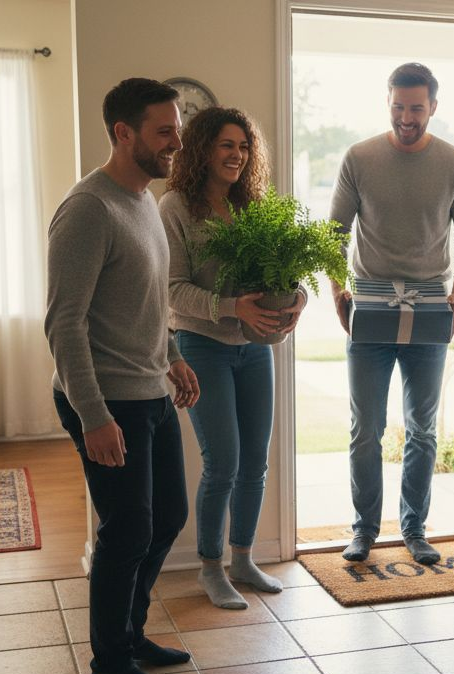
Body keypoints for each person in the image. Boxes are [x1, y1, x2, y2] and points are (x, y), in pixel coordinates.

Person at [45, 77, 201, 674]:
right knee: (127, 530)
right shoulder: (89, 208)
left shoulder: (144, 202)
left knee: (167, 517)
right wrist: (93, 415)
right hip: (106, 400)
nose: (176, 142)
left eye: (177, 128)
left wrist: (173, 357)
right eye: (164, 131)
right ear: (123, 133)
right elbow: (64, 322)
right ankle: (110, 664)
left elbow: (145, 300)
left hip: (148, 390)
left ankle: (130, 634)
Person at [329, 62, 454, 565]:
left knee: (422, 427)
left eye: (416, 108)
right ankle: (364, 529)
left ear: (433, 107)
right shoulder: (359, 158)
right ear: (388, 103)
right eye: (398, 106)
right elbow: (332, 236)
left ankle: (415, 529)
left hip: (429, 310)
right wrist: (336, 289)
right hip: (369, 311)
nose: (406, 117)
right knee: (366, 428)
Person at [158, 107, 303, 609]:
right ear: (202, 148)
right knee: (223, 462)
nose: (237, 155)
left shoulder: (252, 206)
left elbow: (281, 265)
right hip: (202, 347)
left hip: (254, 349)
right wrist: (229, 306)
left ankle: (243, 558)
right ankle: (210, 568)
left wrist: (298, 294)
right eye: (226, 145)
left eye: (243, 147)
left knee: (255, 463)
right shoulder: (175, 206)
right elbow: (172, 292)